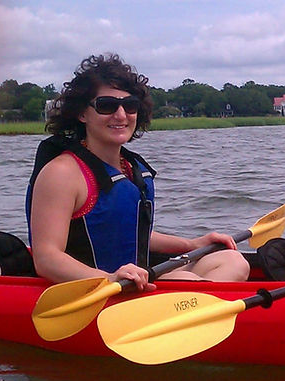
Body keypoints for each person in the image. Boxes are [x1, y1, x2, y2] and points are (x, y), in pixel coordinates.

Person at [26, 53, 249, 290]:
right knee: (193, 283)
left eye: (129, 105)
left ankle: (197, 306)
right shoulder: (61, 173)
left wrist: (191, 244)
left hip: (136, 281)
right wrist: (109, 278)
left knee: (234, 261)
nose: (121, 115)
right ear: (82, 113)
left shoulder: (129, 168)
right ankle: (199, 305)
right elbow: (47, 258)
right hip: (91, 289)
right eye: (107, 106)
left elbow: (128, 232)